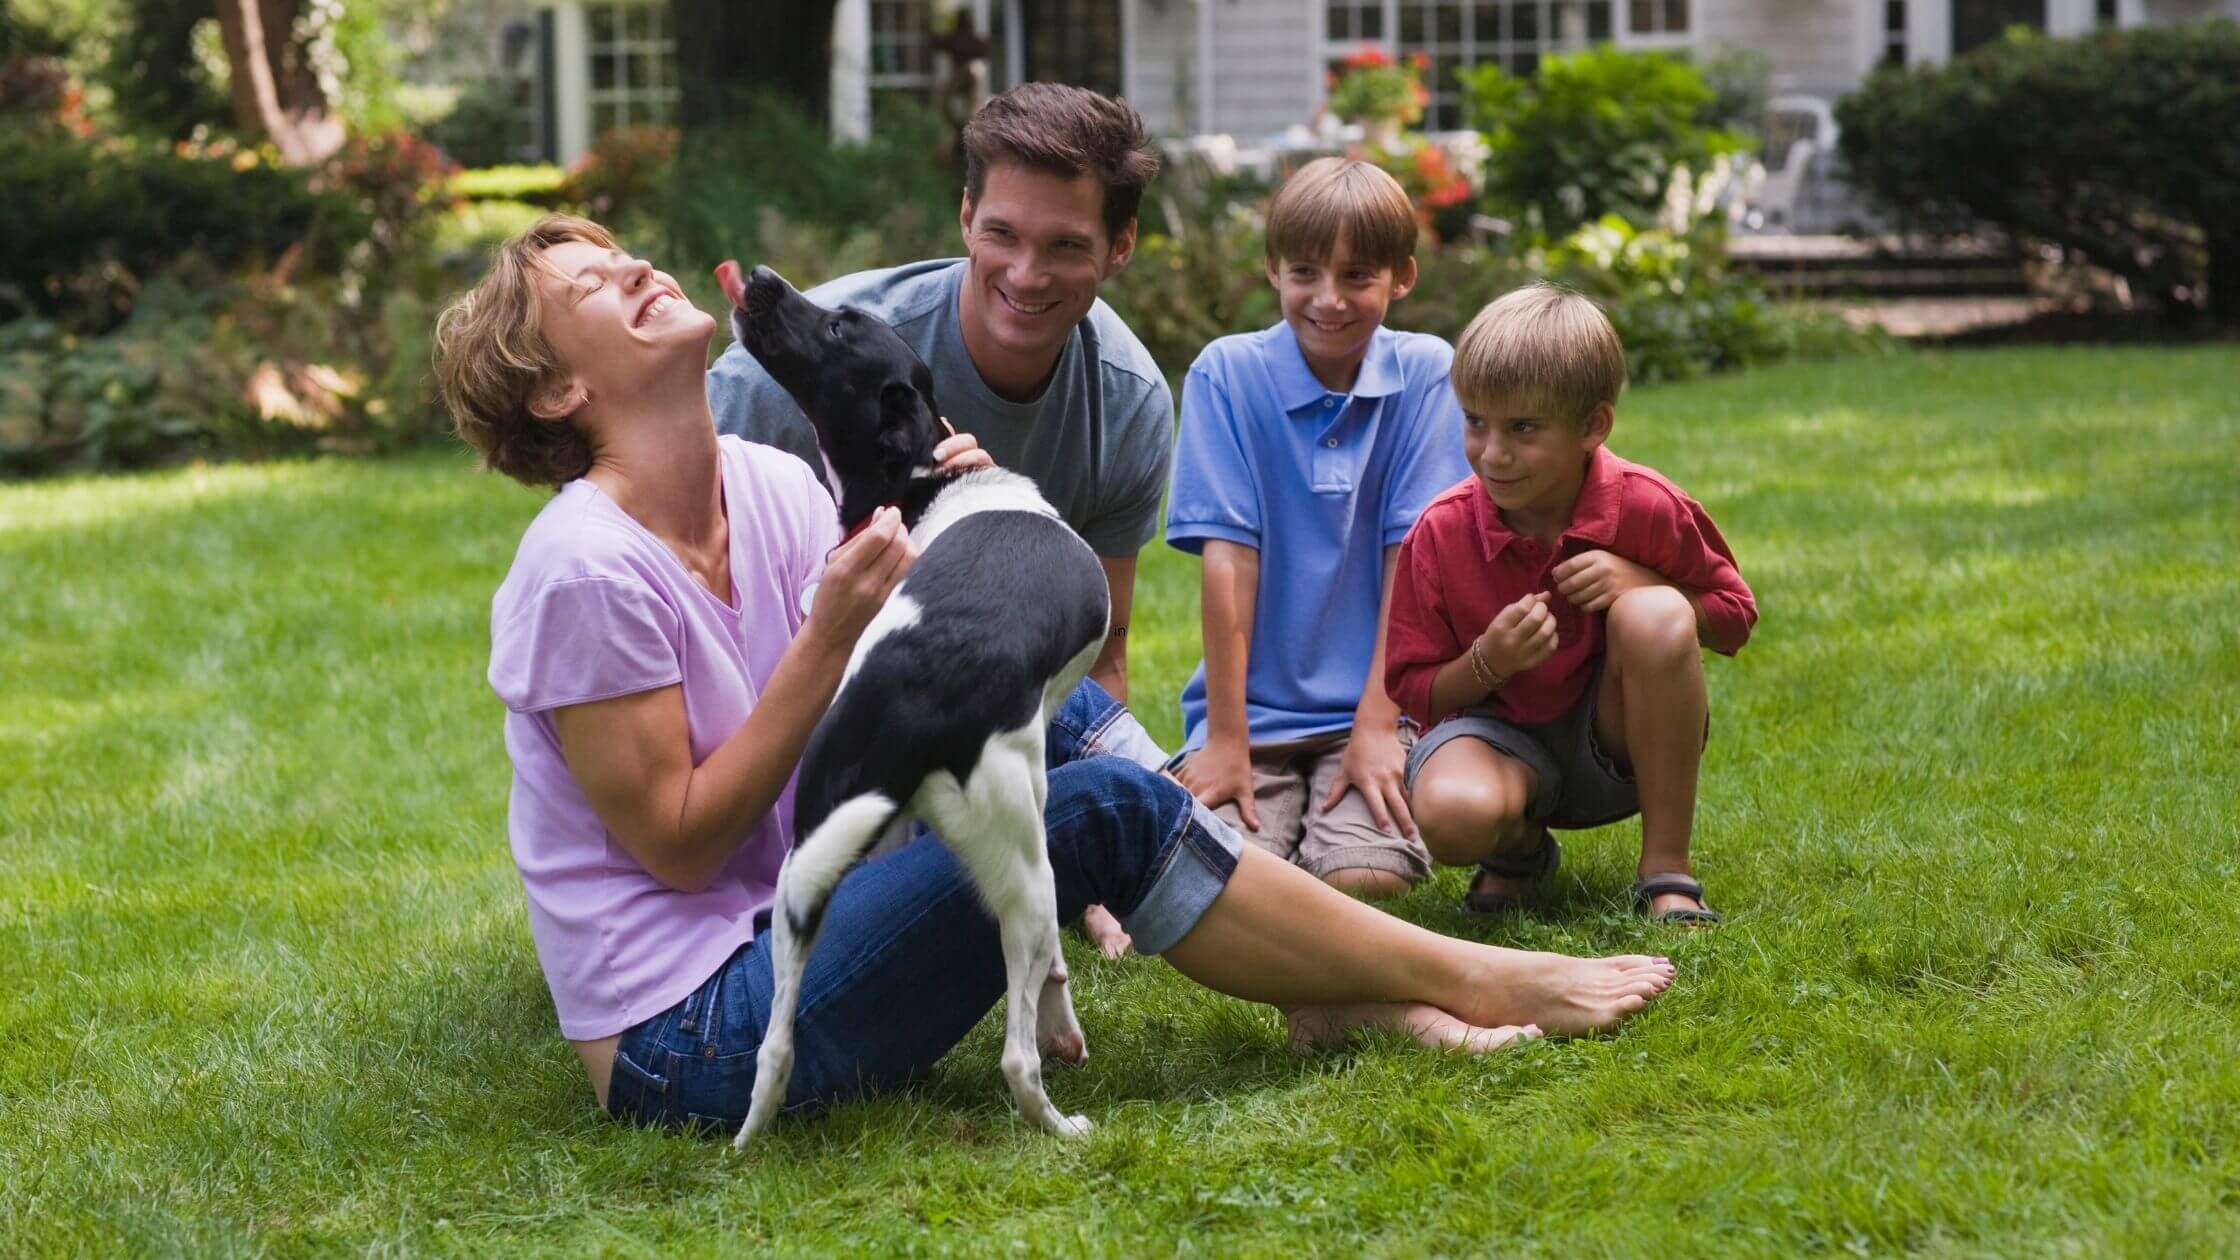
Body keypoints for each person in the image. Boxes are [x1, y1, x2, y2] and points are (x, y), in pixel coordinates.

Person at [430, 217, 1677, 1130]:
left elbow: (907, 677)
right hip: (693, 1037)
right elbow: (683, 846)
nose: (636, 267)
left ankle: (1336, 983)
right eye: (592, 285)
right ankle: (1467, 976)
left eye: (620, 252)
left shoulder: (765, 482)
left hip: (800, 921)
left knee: (1057, 703)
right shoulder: (581, 571)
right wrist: (825, 635)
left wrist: (949, 498)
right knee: (1092, 814)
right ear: (556, 386)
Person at [708, 82, 1170, 956]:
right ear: (965, 216)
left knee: (1154, 801)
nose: (1026, 276)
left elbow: (1096, 654)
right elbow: (683, 602)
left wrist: (1091, 869)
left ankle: (1332, 962)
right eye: (1002, 234)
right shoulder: (805, 371)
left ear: (1120, 247)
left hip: (976, 712)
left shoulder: (1128, 403)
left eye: (1066, 246)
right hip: (798, 715)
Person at [1384, 284, 1758, 923]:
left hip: (1618, 746)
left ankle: (1668, 871)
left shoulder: (1646, 505)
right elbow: (1413, 690)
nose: (1493, 454)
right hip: (1495, 744)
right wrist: (1486, 662)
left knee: (1658, 612)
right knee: (1449, 816)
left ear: (1594, 426)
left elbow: (1733, 616)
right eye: (1476, 421)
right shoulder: (1442, 532)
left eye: (1524, 428)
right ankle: (1519, 853)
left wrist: (1639, 580)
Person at [1163, 157, 1467, 897]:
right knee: (1231, 887)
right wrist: (1228, 740)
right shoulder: (1225, 375)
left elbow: (1412, 560)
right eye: (1305, 272)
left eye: (1358, 277)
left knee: (1366, 878)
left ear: (1402, 278)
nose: (1328, 300)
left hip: (1373, 707)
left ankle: (1337, 830)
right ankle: (1260, 813)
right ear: (1272, 270)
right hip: (1251, 714)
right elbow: (1228, 562)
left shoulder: (1429, 374)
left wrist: (1375, 725)